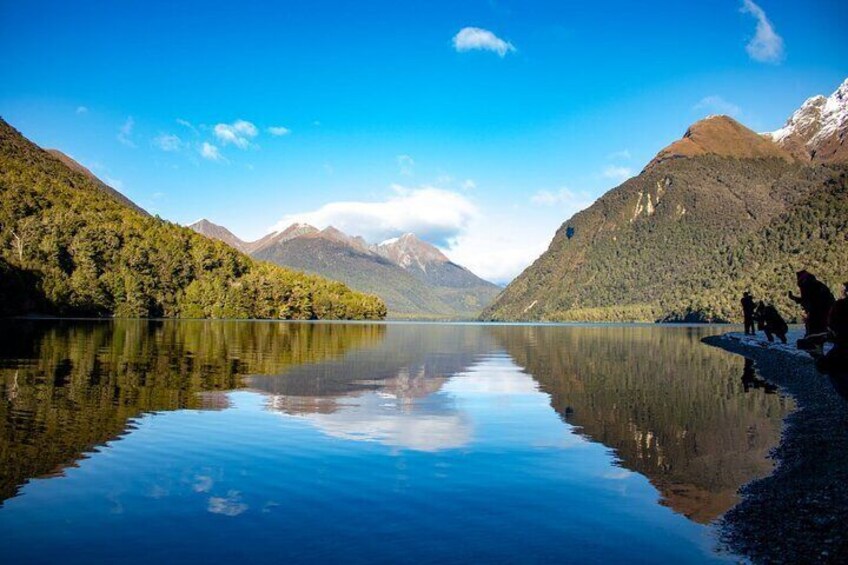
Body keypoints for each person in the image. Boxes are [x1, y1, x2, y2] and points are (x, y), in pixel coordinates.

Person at [788, 270, 835, 337]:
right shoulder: (815, 285)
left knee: (815, 332)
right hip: (824, 311)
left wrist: (794, 298)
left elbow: (807, 301)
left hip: (821, 312)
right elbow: (807, 300)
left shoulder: (810, 286)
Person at [818, 282, 848, 376]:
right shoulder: (839, 305)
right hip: (841, 344)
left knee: (825, 365)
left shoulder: (840, 305)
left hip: (842, 345)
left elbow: (831, 324)